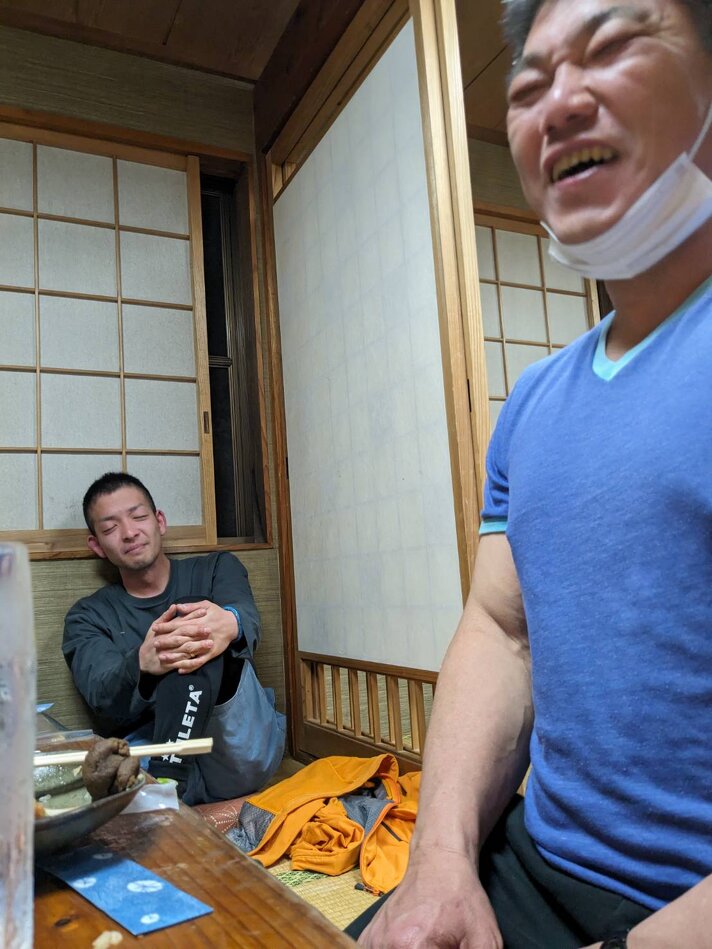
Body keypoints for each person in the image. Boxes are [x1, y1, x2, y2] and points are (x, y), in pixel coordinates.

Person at [351, 0, 712, 946]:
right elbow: (500, 630)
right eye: (528, 85)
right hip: (530, 864)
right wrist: (438, 861)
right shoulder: (535, 400)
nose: (558, 103)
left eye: (612, 47)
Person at [63, 472, 286, 806]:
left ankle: (171, 771)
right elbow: (101, 692)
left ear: (160, 521)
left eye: (139, 517)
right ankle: (171, 773)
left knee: (195, 620)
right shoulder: (87, 616)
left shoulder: (216, 568)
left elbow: (245, 616)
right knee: (181, 635)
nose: (129, 532)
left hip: (237, 747)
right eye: (110, 529)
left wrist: (230, 622)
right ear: (96, 545)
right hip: (147, 754)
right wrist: (143, 663)